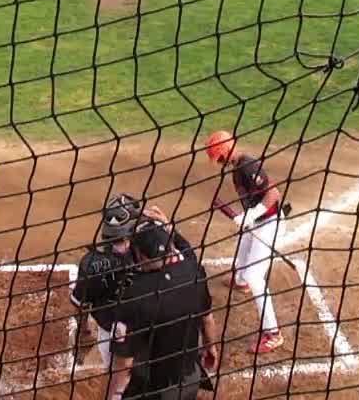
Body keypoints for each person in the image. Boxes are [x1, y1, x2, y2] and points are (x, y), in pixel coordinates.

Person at [107, 220, 222, 400]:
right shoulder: (194, 272)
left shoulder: (135, 295)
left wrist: (114, 394)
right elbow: (207, 320)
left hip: (152, 389)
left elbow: (124, 364)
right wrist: (210, 347)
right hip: (190, 380)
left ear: (141, 255)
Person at [71, 195, 188, 370]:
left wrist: (84, 331)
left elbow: (79, 303)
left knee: (120, 380)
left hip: (114, 337)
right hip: (154, 330)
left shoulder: (91, 263)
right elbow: (185, 262)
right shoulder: (150, 251)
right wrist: (168, 228)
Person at [204, 129, 286, 354]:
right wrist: (250, 217)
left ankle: (273, 333)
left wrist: (251, 215)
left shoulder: (247, 165)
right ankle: (240, 282)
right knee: (242, 251)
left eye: (218, 156)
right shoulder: (237, 168)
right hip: (258, 221)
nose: (218, 161)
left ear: (224, 151)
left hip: (270, 224)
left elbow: (274, 194)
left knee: (255, 275)